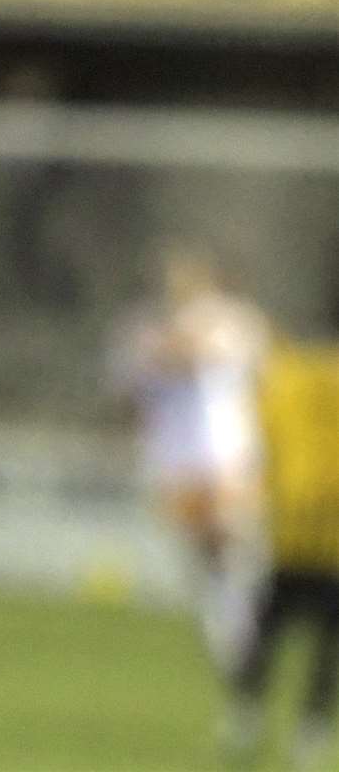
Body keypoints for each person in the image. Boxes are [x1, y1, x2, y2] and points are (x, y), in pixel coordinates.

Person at [111, 241, 269, 676]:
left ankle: (245, 631)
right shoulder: (144, 326)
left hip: (226, 454)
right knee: (199, 553)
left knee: (234, 544)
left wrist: (172, 348)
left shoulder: (231, 320)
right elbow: (128, 386)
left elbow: (225, 361)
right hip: (175, 460)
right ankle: (229, 635)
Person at [221, 334, 339, 769]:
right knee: (278, 634)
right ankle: (268, 718)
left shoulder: (292, 379)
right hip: (304, 541)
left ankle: (285, 722)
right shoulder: (293, 380)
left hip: (311, 540)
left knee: (295, 638)